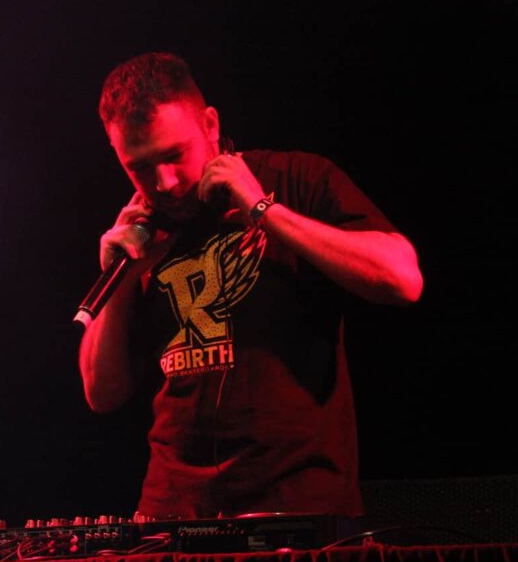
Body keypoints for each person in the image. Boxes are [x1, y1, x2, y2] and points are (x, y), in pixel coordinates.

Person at [78, 52, 423, 520]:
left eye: (175, 155)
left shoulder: (296, 178)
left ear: (210, 125)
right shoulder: (141, 232)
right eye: (139, 168)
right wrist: (120, 282)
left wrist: (264, 211)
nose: (165, 183)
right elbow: (102, 393)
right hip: (171, 515)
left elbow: (403, 279)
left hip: (298, 508)